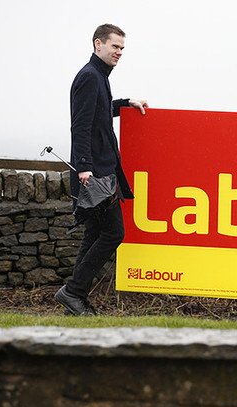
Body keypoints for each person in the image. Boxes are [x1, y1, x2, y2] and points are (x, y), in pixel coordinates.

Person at [55, 24, 149, 315]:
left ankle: (75, 297)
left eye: (122, 48)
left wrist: (124, 104)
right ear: (98, 44)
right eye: (114, 46)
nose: (119, 52)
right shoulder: (89, 76)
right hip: (94, 175)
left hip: (101, 171)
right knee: (113, 233)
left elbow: (99, 109)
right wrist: (84, 167)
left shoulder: (98, 77)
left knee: (94, 234)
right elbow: (80, 124)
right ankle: (73, 292)